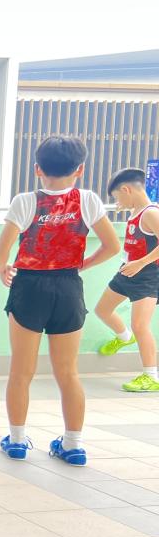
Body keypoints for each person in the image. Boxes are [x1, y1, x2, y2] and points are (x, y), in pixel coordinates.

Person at [0, 135, 120, 464]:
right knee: (68, 372)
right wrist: (83, 264)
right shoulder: (88, 200)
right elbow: (112, 246)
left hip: (29, 287)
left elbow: (1, 251)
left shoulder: (25, 201)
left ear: (37, 169)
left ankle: (17, 441)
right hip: (68, 287)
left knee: (21, 371)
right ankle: (73, 446)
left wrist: (2, 269)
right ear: (80, 169)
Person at [94, 167, 159, 391]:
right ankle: (124, 337)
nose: (117, 202)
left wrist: (141, 263)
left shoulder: (151, 213)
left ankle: (151, 377)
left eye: (117, 197)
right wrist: (126, 206)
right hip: (127, 271)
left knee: (140, 325)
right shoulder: (135, 210)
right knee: (102, 310)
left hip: (147, 277)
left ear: (126, 189)